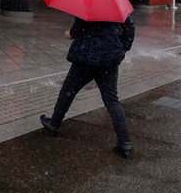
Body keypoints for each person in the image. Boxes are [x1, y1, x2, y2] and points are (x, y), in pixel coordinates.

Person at [40, 14, 136, 158]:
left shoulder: (88, 6)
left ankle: (54, 124)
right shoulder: (115, 7)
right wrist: (123, 48)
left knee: (68, 90)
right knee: (112, 100)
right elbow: (131, 27)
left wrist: (69, 34)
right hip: (109, 60)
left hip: (87, 58)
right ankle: (125, 142)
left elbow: (77, 30)